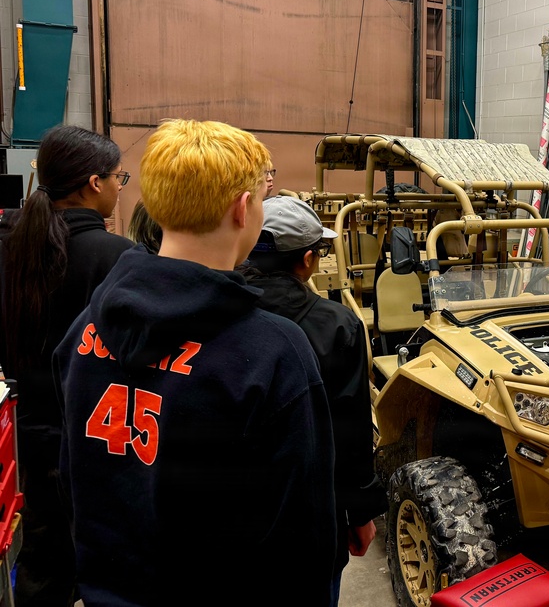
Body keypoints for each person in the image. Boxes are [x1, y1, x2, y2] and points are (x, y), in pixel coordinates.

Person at [53, 119, 337, 606]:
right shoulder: (273, 352)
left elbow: (73, 476)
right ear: (244, 209)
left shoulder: (85, 330)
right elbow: (301, 528)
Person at [0, 124, 133, 607]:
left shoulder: (10, 241)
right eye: (120, 177)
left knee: (41, 559)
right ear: (93, 183)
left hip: (27, 436)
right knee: (107, 562)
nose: (122, 188)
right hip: (97, 439)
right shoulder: (117, 257)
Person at [242, 195, 386, 606]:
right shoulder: (335, 326)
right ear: (307, 260)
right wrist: (359, 512)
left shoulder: (215, 307)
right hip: (306, 513)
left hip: (226, 510)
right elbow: (350, 431)